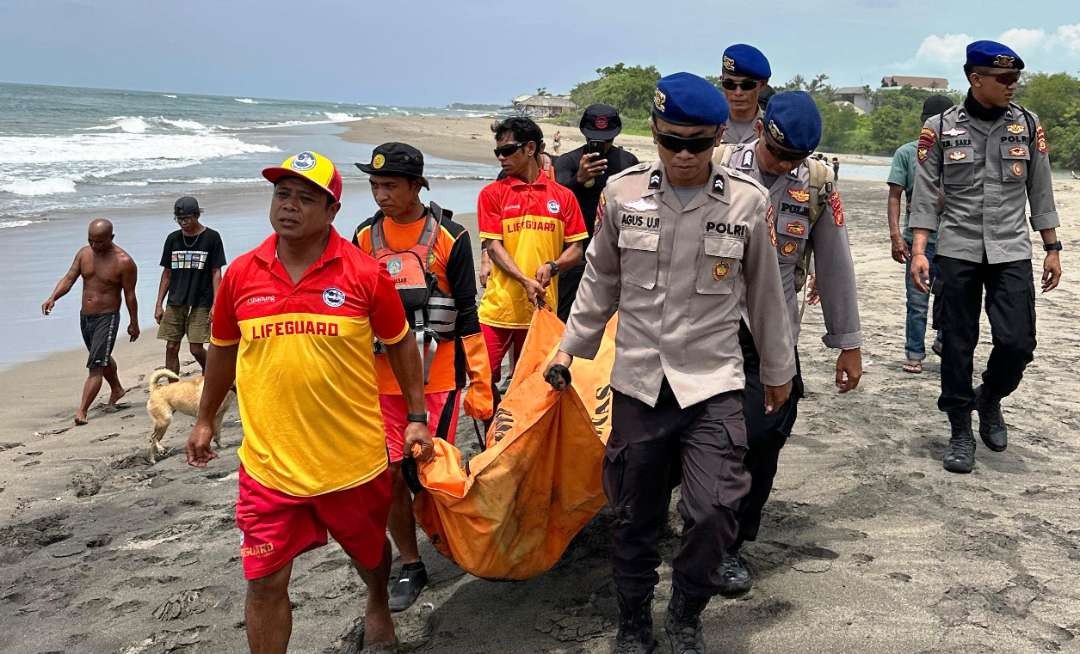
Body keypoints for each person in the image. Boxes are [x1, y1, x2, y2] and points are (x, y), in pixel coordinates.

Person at [546, 72, 795, 654]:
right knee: (634, 515)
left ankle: (686, 610)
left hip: (712, 384)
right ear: (654, 132)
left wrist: (779, 372)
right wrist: (569, 347)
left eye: (698, 143)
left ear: (717, 137)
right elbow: (601, 279)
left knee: (713, 512)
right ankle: (633, 620)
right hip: (639, 384)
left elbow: (764, 296)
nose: (684, 155)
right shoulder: (621, 196)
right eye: (671, 141)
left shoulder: (747, 202)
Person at [185, 151, 434, 652]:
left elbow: (403, 341)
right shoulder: (239, 275)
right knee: (264, 581)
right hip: (268, 466)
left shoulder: (365, 274)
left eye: (305, 197)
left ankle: (377, 603)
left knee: (369, 557)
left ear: (332, 210)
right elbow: (223, 353)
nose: (289, 206)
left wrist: (415, 417)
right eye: (282, 194)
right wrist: (206, 419)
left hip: (350, 461)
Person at [715, 91, 863, 594]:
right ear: (761, 131)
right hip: (704, 327)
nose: (781, 166)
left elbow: (836, 265)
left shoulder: (817, 184)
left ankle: (730, 545)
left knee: (764, 434)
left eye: (792, 159)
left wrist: (848, 343)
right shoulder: (715, 167)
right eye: (776, 154)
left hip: (771, 334)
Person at [910, 41, 1063, 474]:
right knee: (957, 344)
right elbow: (923, 195)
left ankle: (990, 398)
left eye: (1016, 78)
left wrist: (1052, 248)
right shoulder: (940, 129)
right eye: (1004, 79)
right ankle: (960, 429)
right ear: (976, 79)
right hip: (957, 249)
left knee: (1017, 343)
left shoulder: (1028, 125)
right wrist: (920, 251)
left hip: (1012, 249)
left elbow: (1041, 191)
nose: (1013, 86)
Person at [353, 142, 493, 611]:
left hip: (438, 383)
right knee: (389, 475)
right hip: (379, 383)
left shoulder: (451, 236)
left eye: (390, 185)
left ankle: (450, 537)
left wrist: (480, 384)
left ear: (417, 185)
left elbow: (469, 314)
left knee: (428, 472)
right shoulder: (361, 237)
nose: (381, 194)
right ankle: (411, 563)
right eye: (375, 185)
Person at [478, 116, 587, 385]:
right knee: (482, 379)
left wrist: (553, 267)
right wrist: (524, 280)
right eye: (497, 152)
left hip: (541, 310)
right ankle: (493, 425)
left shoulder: (563, 196)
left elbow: (577, 249)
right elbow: (493, 246)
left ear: (530, 149)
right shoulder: (492, 194)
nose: (500, 158)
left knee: (529, 382)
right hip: (498, 309)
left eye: (507, 150)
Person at [41, 219, 139, 425]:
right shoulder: (84, 254)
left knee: (95, 365)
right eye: (91, 240)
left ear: (111, 238)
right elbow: (69, 278)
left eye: (100, 242)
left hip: (107, 316)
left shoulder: (124, 262)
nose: (95, 246)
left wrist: (134, 322)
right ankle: (118, 389)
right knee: (101, 357)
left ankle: (82, 411)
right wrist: (53, 297)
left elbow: (130, 295)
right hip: (86, 317)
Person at [554, 104, 640, 322]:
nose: (601, 144)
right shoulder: (568, 162)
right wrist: (579, 180)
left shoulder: (627, 162)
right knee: (567, 316)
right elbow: (556, 205)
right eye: (595, 139)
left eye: (607, 139)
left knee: (613, 320)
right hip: (576, 253)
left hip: (617, 253)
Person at [887, 95, 953, 373]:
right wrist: (895, 236)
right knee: (917, 301)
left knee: (951, 299)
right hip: (918, 242)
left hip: (953, 242)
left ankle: (943, 342)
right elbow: (894, 196)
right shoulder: (907, 154)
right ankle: (914, 353)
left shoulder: (959, 155)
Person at [154, 196, 226, 375]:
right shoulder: (173, 239)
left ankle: (212, 375)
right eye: (179, 219)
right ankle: (173, 389)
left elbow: (216, 272)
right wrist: (158, 304)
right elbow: (167, 273)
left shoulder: (212, 237)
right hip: (176, 299)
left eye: (186, 218)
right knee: (171, 346)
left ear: (197, 216)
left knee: (196, 348)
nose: (183, 222)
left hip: (202, 300)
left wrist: (217, 304)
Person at [718, 43, 771, 144]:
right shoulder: (707, 125)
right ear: (721, 81)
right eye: (729, 84)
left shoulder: (772, 129)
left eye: (747, 85)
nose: (738, 93)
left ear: (762, 85)